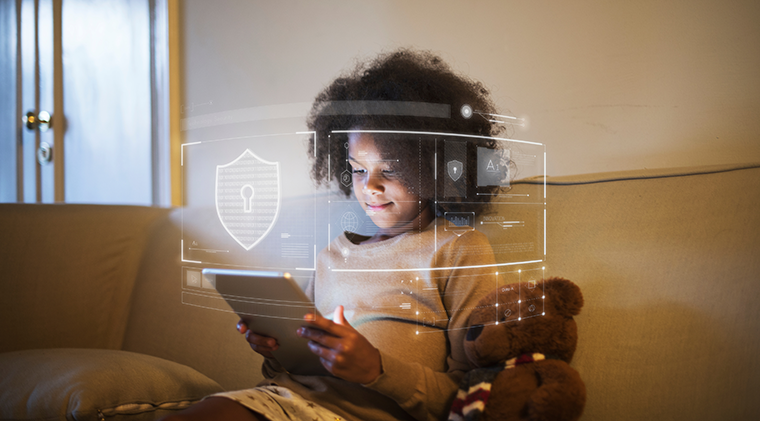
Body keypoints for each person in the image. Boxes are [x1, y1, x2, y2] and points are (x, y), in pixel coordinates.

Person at [163, 48, 509, 421]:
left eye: (389, 171)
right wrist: (276, 352)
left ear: (436, 167)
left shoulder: (458, 249)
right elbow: (289, 379)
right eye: (358, 170)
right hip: (283, 403)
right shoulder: (332, 256)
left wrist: (378, 370)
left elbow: (474, 393)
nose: (370, 187)